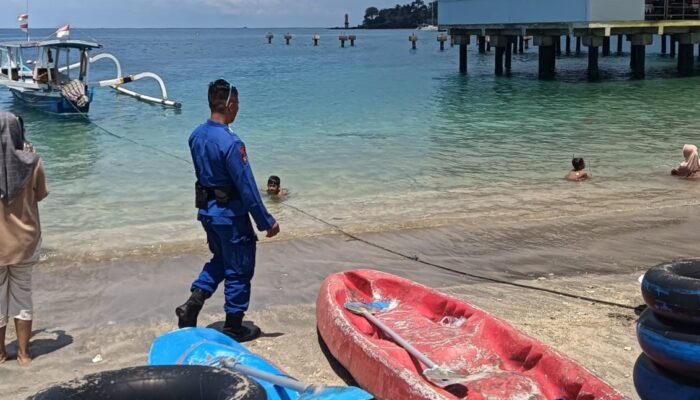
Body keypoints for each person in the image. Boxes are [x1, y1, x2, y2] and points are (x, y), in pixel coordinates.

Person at [176, 79, 280, 342]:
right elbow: (246, 186)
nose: (238, 109)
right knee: (240, 268)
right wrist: (265, 221)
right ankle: (234, 325)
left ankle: (192, 305)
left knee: (221, 260)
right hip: (231, 216)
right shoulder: (232, 143)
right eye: (238, 104)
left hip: (208, 214)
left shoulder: (196, 135)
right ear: (231, 104)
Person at [0, 112, 49, 365]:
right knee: (23, 296)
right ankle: (23, 354)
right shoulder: (34, 162)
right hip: (25, 243)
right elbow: (40, 195)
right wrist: (30, 157)